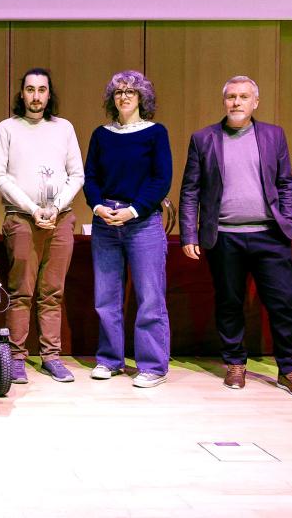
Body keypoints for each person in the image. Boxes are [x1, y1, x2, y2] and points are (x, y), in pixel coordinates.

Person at [178, 76, 292, 398]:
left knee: (282, 305)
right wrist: (188, 234)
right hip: (223, 237)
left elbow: (285, 182)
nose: (236, 102)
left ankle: (290, 369)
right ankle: (235, 363)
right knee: (229, 303)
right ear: (224, 102)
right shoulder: (203, 138)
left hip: (269, 235)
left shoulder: (273, 136)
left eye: (243, 97)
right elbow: (190, 190)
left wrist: (288, 219)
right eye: (231, 97)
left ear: (255, 102)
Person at [0, 67, 85, 383]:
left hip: (60, 219)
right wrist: (33, 208)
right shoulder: (7, 128)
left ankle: (51, 357)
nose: (35, 96)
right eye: (30, 90)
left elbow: (77, 175)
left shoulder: (64, 128)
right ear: (22, 94)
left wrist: (55, 207)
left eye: (41, 90)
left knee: (52, 292)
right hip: (21, 219)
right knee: (21, 292)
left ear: (48, 94)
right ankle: (17, 356)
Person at [82, 70, 173, 388]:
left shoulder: (155, 133)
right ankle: (109, 360)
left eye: (131, 91)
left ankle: (153, 366)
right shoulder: (101, 135)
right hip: (105, 221)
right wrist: (97, 207)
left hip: (142, 222)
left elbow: (161, 179)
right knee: (106, 297)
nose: (123, 96)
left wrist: (133, 210)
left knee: (149, 296)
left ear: (142, 98)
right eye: (118, 91)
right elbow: (90, 177)